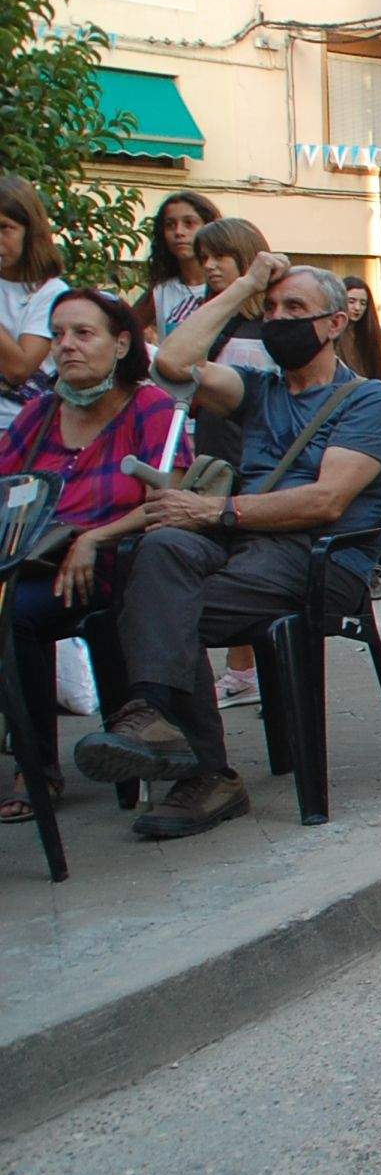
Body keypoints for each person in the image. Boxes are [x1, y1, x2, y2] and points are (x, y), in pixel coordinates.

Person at [71, 254, 381, 839]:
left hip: (318, 556)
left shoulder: (367, 400)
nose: (278, 319)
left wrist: (214, 509)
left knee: (158, 609)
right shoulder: (258, 388)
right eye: (270, 310)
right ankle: (167, 730)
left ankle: (190, 755)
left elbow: (327, 501)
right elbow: (172, 361)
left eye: (294, 309)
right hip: (243, 541)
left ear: (333, 323)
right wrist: (247, 285)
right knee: (160, 550)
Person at [0, 290, 175, 823]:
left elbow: (169, 503)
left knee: (13, 618)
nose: (66, 346)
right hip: (32, 561)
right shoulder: (38, 412)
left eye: (83, 334)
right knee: (13, 604)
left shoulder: (151, 407)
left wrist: (93, 537)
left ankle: (35, 768)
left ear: (121, 343)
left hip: (116, 563)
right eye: (57, 335)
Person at [187, 217, 280, 708]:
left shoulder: (273, 321)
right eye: (204, 258)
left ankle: (256, 672)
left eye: (218, 256)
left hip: (257, 462)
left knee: (245, 562)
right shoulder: (215, 315)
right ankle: (242, 673)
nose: (208, 266)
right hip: (214, 454)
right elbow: (175, 364)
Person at [0, 177, 64, 431]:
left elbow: (20, 368)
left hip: (17, 426)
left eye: (5, 228)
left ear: (30, 232)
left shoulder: (51, 292)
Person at [131, 190, 219, 340]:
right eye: (170, 225)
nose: (178, 232)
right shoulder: (160, 292)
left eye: (189, 223)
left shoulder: (228, 285)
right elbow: (124, 332)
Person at [337, 276, 381, 379]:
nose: (357, 308)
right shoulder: (331, 335)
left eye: (363, 303)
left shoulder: (369, 335)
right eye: (351, 301)